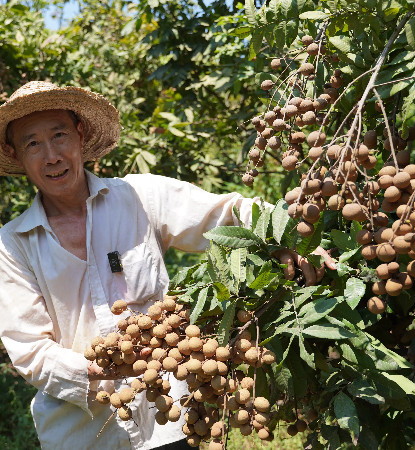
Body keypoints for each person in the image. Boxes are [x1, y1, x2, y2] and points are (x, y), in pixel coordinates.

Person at [0, 81, 335, 450]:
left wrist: (288, 238)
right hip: (81, 434)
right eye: (33, 143)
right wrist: (102, 369)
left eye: (59, 135)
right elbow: (28, 348)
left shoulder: (139, 196)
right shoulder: (12, 245)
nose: (51, 156)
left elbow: (224, 213)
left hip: (169, 423)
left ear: (80, 135)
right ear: (14, 154)